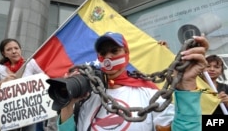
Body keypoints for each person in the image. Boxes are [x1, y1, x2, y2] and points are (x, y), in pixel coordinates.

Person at [46, 32, 208, 131]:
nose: (108, 57)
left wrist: (187, 85)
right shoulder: (88, 97)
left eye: (114, 50)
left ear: (126, 53)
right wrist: (67, 103)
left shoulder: (149, 94)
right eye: (103, 53)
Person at [0, 38, 40, 131]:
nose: (14, 51)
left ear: (20, 50)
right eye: (9, 49)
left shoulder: (31, 64)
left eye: (16, 48)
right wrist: (2, 82)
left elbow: (45, 78)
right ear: (4, 53)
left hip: (29, 110)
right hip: (8, 112)